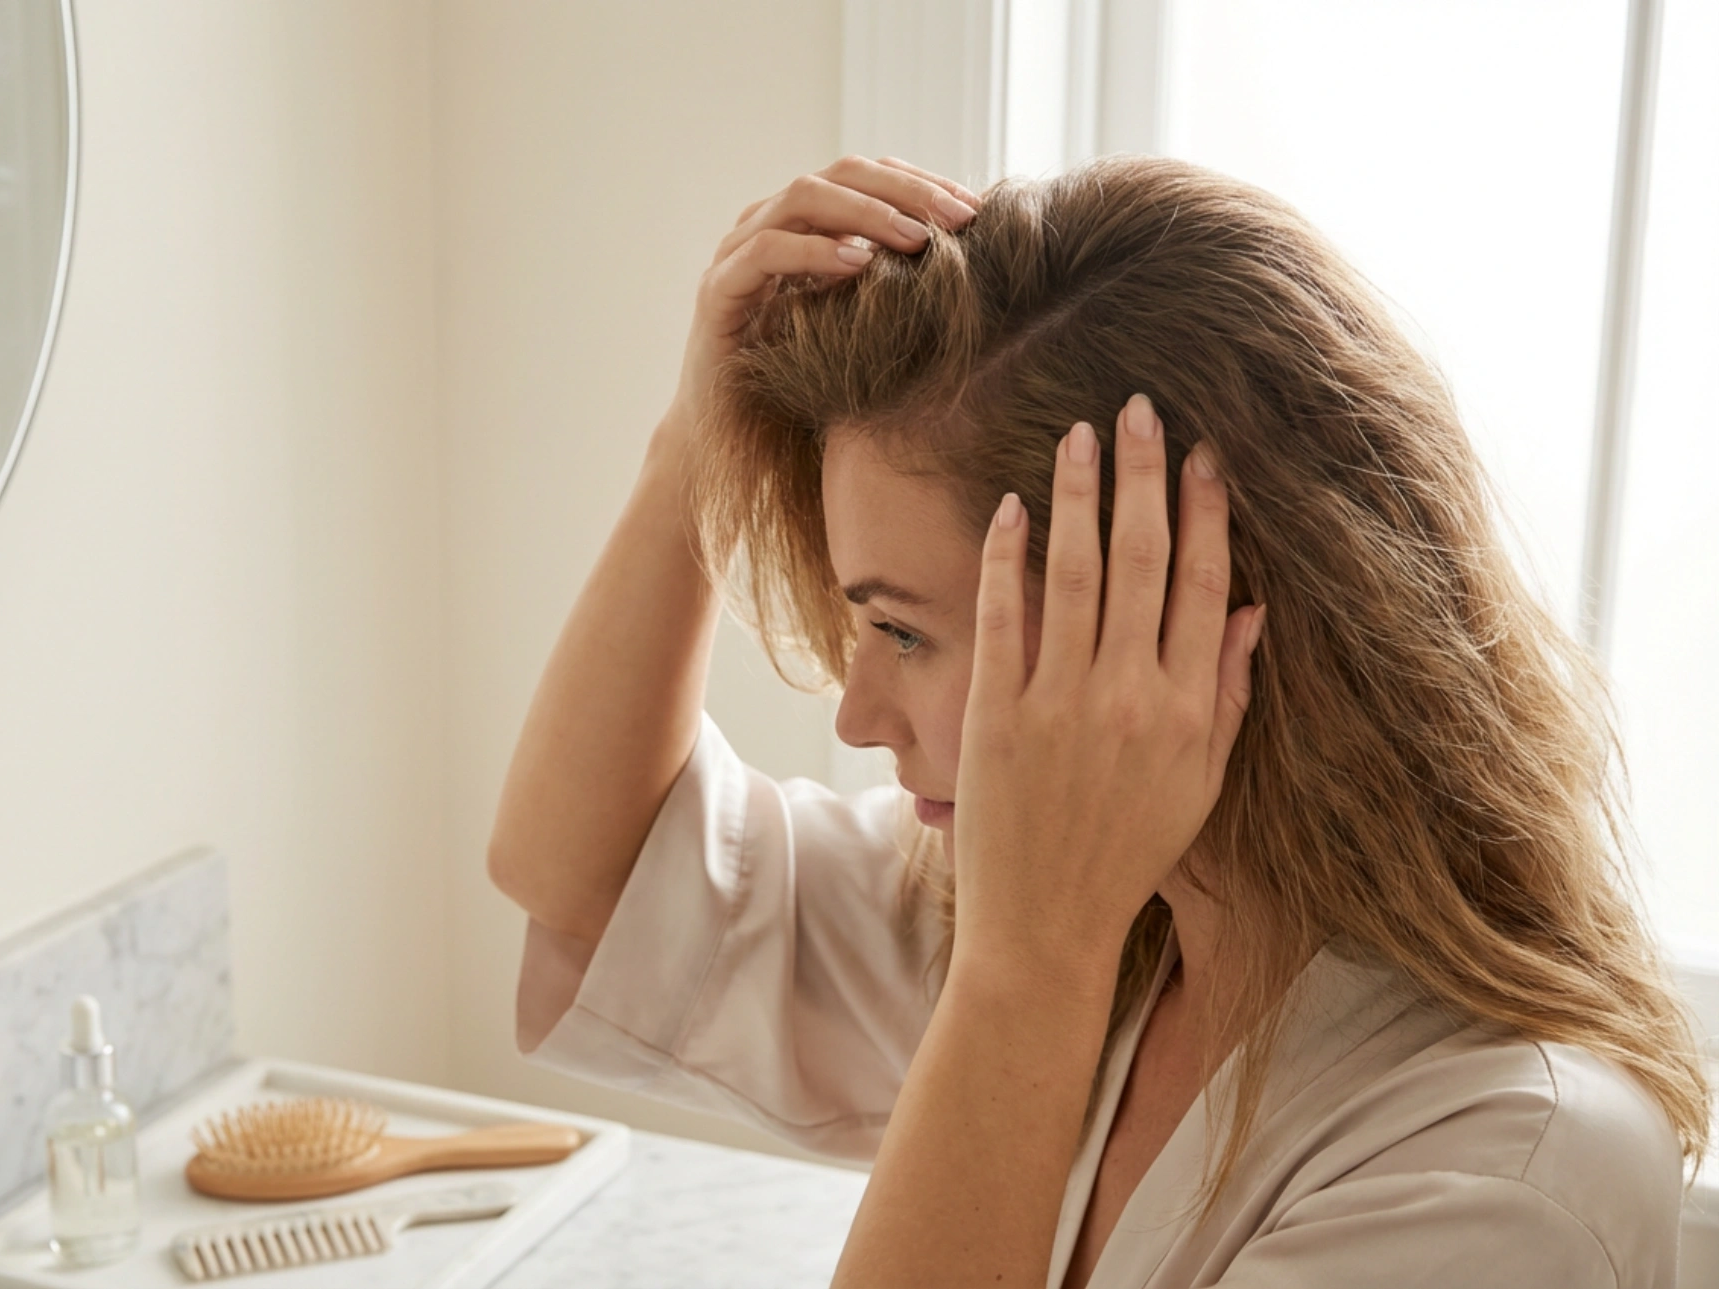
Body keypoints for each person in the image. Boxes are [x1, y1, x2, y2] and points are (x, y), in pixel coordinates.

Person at [487, 154, 1709, 1287]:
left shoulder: (1512, 1176)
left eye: (904, 632)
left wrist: (1028, 974)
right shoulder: (1126, 926)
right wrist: (691, 445)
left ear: (1171, 621)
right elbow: (585, 882)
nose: (858, 713)